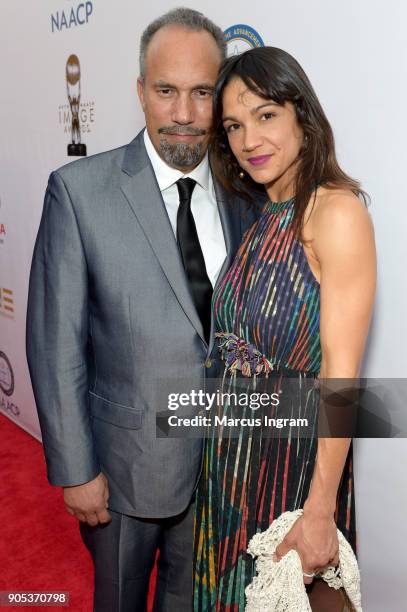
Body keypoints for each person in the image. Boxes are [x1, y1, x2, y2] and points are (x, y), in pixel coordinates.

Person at [26, 8, 259, 612]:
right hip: (126, 473)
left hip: (220, 472)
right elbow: (56, 346)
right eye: (165, 91)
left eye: (202, 92)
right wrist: (75, 470)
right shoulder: (80, 193)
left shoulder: (246, 195)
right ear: (140, 93)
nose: (183, 113)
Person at [193, 47, 376, 610]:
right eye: (234, 126)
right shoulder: (260, 215)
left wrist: (320, 513)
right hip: (228, 471)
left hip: (292, 475)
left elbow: (341, 380)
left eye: (266, 114)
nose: (249, 140)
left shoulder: (336, 212)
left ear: (303, 115)